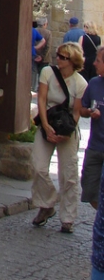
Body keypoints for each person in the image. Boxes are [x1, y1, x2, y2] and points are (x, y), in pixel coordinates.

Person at [31, 41, 87, 232]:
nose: (58, 59)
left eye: (63, 57)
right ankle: (47, 204)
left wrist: (66, 134)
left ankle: (68, 218)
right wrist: (45, 126)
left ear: (72, 61)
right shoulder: (47, 72)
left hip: (67, 130)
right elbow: (42, 99)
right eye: (58, 55)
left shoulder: (81, 83)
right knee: (38, 166)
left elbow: (77, 113)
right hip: (48, 122)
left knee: (69, 174)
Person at [81, 47, 104, 209]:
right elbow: (81, 109)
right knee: (89, 189)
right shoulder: (94, 83)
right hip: (95, 147)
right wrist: (89, 112)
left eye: (98, 60)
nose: (94, 63)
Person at [32, 23, 45, 92]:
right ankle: (32, 87)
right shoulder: (33, 30)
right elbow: (43, 41)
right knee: (33, 71)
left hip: (23, 52)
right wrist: (35, 48)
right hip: (32, 53)